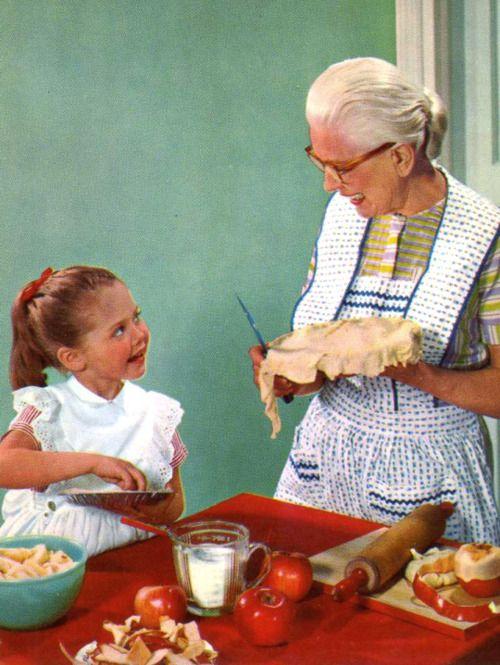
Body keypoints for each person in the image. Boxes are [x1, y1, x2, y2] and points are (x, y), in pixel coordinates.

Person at [249, 57, 500, 544]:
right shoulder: (345, 214)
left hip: (431, 482)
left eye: (341, 167)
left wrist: (420, 376)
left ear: (402, 158)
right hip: (323, 466)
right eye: (319, 163)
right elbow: (328, 344)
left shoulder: (487, 238)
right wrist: (293, 374)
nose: (328, 184)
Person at [0, 265, 187, 556]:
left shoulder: (156, 412)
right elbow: (4, 465)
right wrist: (92, 463)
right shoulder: (48, 409)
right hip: (52, 559)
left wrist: (153, 508)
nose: (139, 334)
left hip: (130, 555)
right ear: (73, 357)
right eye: (119, 330)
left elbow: (174, 504)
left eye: (136, 317)